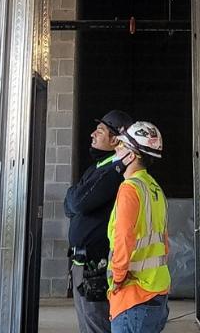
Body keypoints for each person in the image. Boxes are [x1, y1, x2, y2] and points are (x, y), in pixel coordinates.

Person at [65, 110, 133, 333]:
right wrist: (75, 198)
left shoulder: (114, 171)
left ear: (115, 140)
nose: (93, 134)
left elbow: (78, 203)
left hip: (96, 266)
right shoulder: (99, 167)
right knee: (87, 324)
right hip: (81, 263)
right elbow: (70, 204)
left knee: (97, 324)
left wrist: (75, 198)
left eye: (100, 131)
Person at [107, 122, 170, 333]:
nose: (116, 148)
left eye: (122, 145)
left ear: (132, 156)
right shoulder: (154, 188)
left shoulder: (129, 189)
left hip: (134, 295)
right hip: (157, 290)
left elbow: (123, 236)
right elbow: (164, 243)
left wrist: (117, 277)